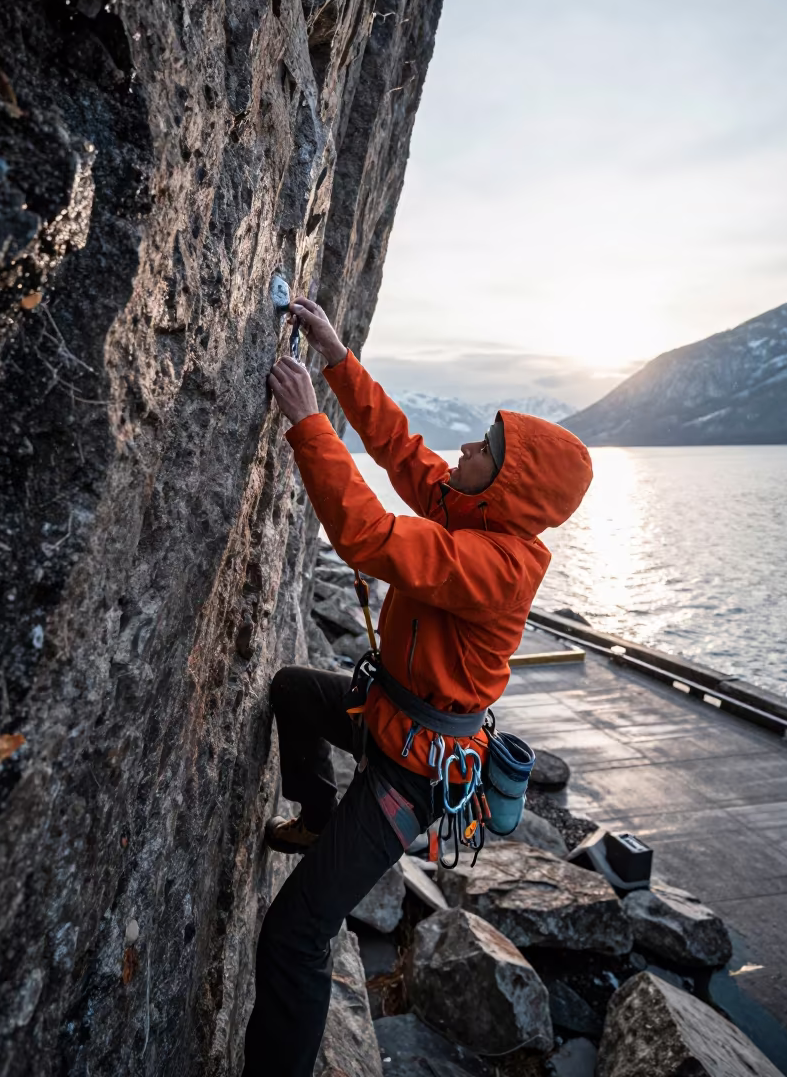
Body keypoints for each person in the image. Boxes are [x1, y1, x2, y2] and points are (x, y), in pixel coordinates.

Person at [242, 297, 593, 1076]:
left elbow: (367, 534)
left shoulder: (495, 565)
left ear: (506, 489)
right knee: (296, 690)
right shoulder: (476, 512)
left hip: (414, 771)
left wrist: (309, 425)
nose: (465, 447)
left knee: (293, 936)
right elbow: (403, 451)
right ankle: (315, 814)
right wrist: (337, 357)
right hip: (390, 719)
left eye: (486, 448)